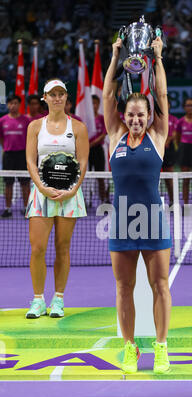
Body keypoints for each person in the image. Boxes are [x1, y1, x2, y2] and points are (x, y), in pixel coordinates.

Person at [103, 35, 172, 375]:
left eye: (140, 114)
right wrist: (116, 56)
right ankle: (129, 349)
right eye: (130, 114)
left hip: (153, 219)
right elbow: (106, 96)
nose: (135, 119)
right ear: (124, 116)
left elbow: (160, 95)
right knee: (123, 288)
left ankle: (161, 348)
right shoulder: (114, 136)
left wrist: (157, 58)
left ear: (147, 116)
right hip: (122, 221)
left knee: (160, 285)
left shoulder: (158, 137)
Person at [25, 78, 89, 319]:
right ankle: (38, 300)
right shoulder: (34, 127)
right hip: (41, 194)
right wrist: (41, 187)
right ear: (45, 98)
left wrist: (73, 189)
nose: (57, 98)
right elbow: (30, 160)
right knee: (38, 248)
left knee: (62, 248)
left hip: (69, 194)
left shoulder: (78, 128)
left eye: (61, 93)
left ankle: (59, 299)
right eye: (52, 94)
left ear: (66, 97)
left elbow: (83, 162)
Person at [0, 94, 31, 217]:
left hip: (22, 155)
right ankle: (7, 209)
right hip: (8, 155)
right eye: (11, 103)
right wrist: (6, 146)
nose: (13, 105)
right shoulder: (2, 121)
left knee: (25, 183)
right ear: (7, 105)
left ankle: (26, 208)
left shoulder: (26, 120)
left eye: (16, 103)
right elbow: (1, 137)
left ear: (19, 105)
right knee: (8, 183)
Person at [89, 94, 107, 204]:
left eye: (95, 103)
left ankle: (104, 199)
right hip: (86, 150)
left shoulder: (102, 118)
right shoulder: (85, 119)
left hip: (98, 150)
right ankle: (87, 200)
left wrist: (92, 143)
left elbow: (104, 133)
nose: (93, 106)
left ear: (98, 104)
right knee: (85, 177)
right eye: (91, 103)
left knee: (100, 176)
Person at [162, 98, 178, 206]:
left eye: (166, 104)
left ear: (169, 106)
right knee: (154, 177)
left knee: (169, 177)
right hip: (157, 149)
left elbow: (175, 134)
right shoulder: (156, 118)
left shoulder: (174, 119)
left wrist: (167, 141)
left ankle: (173, 201)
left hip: (168, 149)